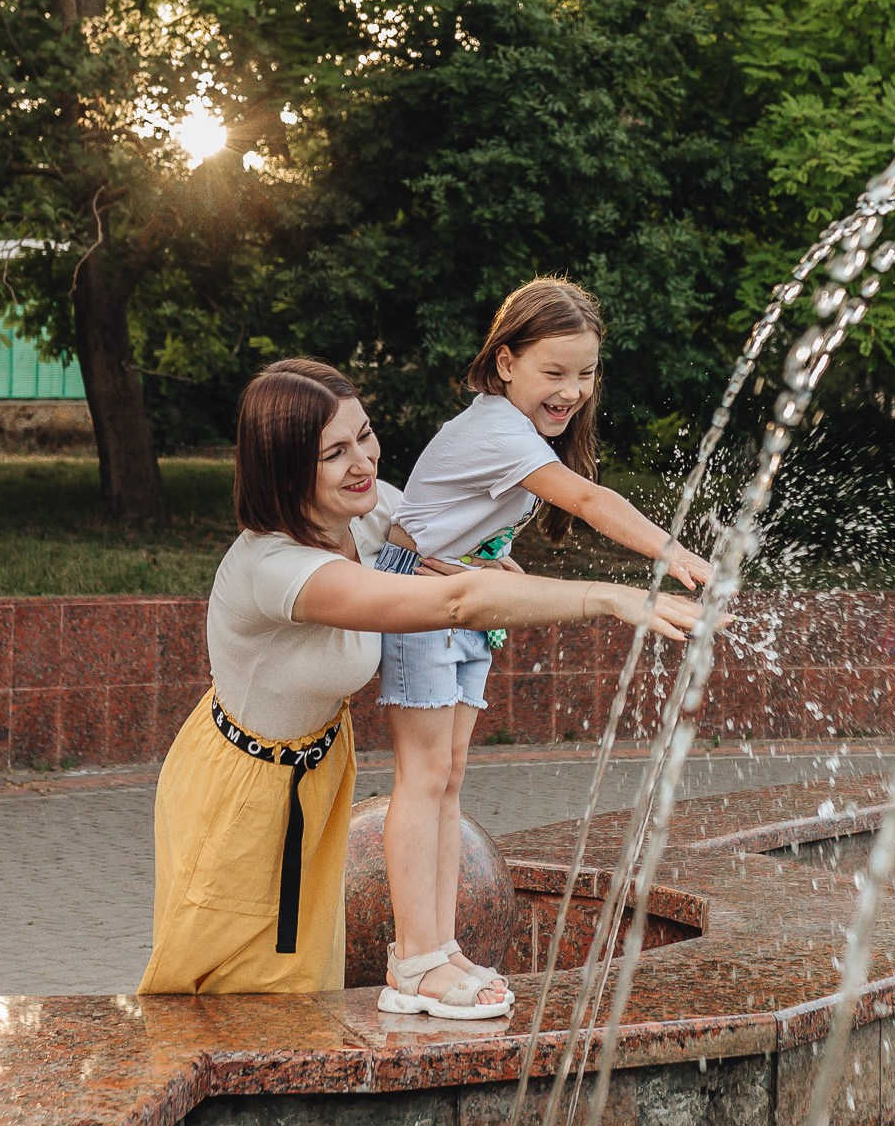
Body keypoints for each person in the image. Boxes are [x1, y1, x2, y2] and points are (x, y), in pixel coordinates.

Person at [138, 355, 705, 1003]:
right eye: (334, 453)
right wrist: (607, 598)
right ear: (283, 465)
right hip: (242, 789)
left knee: (298, 982)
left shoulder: (372, 516)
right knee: (223, 988)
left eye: (365, 434)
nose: (364, 462)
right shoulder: (275, 568)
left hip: (316, 773)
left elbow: (462, 551)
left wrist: (494, 559)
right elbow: (453, 603)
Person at [376, 278, 713, 1021]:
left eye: (585, 373)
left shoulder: (519, 430)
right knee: (423, 776)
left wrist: (491, 554)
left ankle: (438, 948)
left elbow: (462, 516)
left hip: (462, 593)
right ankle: (413, 962)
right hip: (423, 596)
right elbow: (591, 502)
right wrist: (674, 553)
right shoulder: (497, 426)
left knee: (450, 776)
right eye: (553, 372)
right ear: (505, 364)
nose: (572, 391)